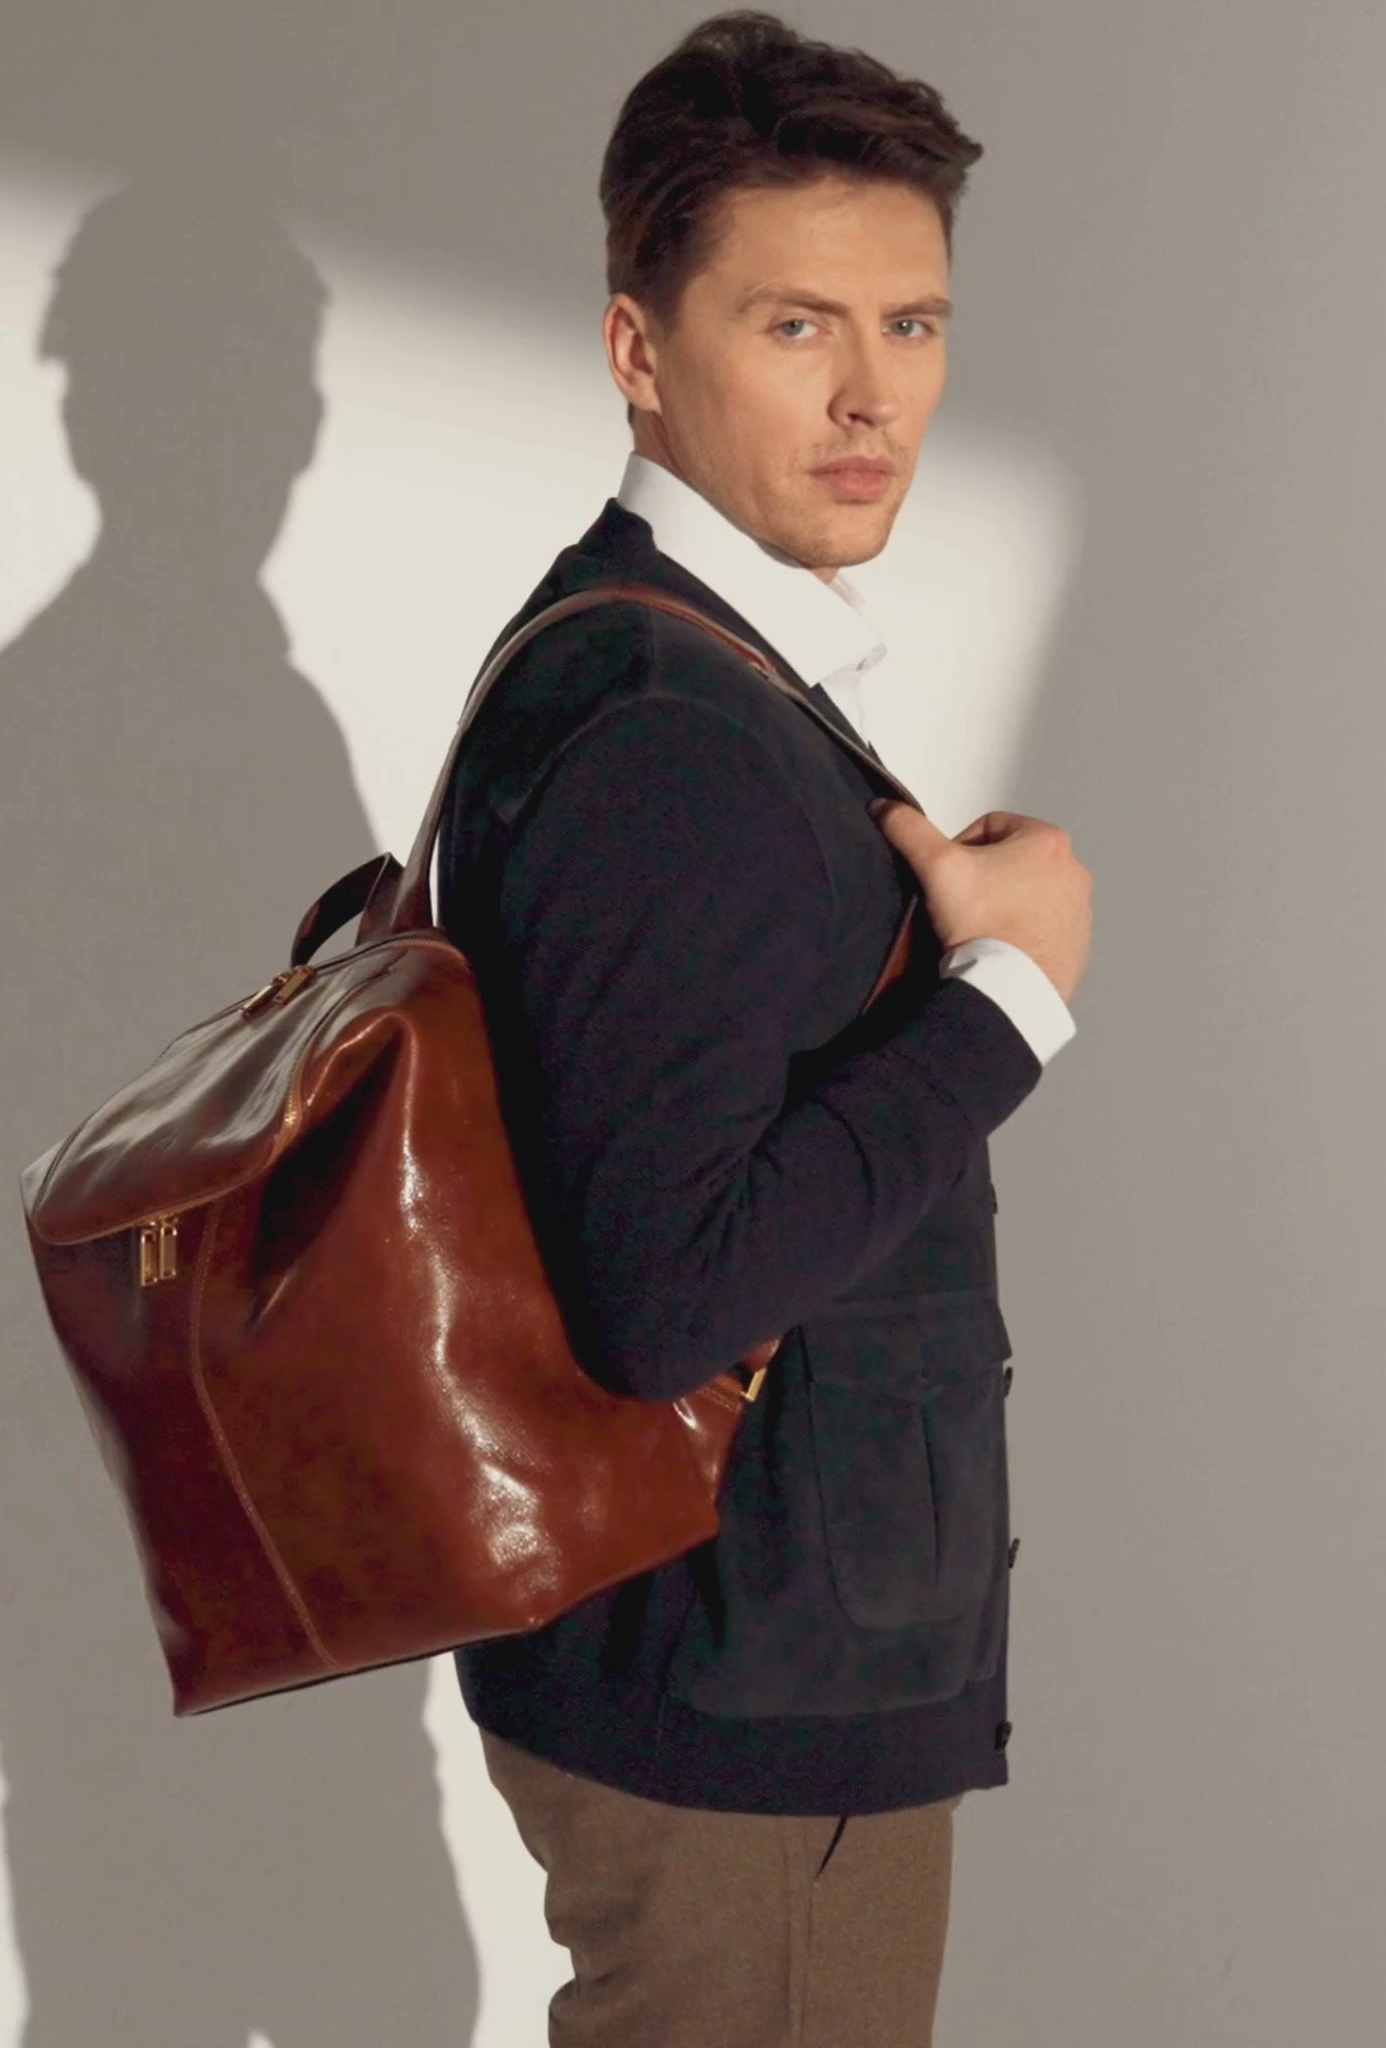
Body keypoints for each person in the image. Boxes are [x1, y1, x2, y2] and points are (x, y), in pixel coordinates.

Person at [435, 14, 1093, 2045]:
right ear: (639, 351)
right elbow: (671, 1294)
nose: (870, 392)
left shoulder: (693, 666)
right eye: (795, 325)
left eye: (911, 324)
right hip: (742, 1708)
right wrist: (1010, 1001)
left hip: (742, 1669)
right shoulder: (669, 733)